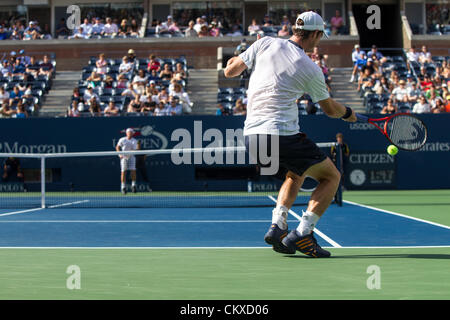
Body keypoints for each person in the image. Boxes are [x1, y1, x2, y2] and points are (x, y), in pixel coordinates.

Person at [224, 11, 357, 258]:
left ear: (296, 29)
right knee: (331, 177)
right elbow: (329, 110)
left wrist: (237, 58)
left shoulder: (265, 42)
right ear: (316, 34)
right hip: (281, 134)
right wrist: (349, 112)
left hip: (252, 137)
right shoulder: (311, 68)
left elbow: (229, 71)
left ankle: (278, 226)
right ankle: (304, 233)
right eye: (321, 36)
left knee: (295, 173)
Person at [116, 128, 139, 194]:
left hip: (131, 157)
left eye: (131, 132)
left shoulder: (134, 141)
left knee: (133, 171)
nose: (130, 133)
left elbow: (135, 149)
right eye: (128, 132)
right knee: (123, 172)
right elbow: (117, 147)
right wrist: (119, 154)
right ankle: (123, 187)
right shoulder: (122, 139)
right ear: (126, 133)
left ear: (132, 133)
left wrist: (129, 154)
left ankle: (133, 186)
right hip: (123, 157)